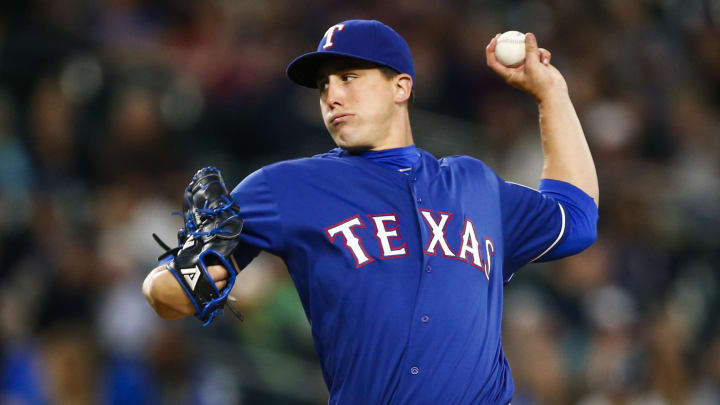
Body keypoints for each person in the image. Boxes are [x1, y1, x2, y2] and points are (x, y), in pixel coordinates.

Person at [143, 19, 598, 404]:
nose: (332, 97)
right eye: (324, 86)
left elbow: (576, 218)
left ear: (401, 86)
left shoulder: (474, 184)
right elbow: (165, 294)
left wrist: (551, 92)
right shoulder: (287, 186)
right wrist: (188, 280)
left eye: (349, 77)